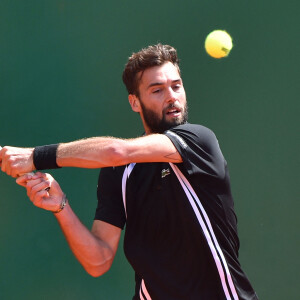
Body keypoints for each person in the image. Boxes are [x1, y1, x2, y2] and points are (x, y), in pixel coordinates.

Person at [0, 44, 258, 300]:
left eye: (176, 86)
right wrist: (61, 206)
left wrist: (35, 157)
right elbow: (98, 261)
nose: (171, 96)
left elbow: (116, 151)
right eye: (157, 90)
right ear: (135, 102)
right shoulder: (119, 173)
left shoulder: (199, 141)